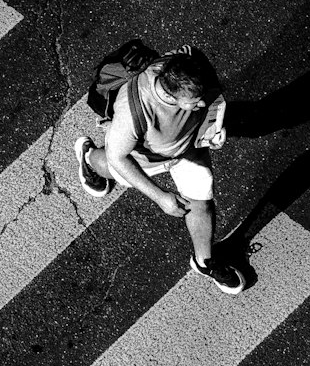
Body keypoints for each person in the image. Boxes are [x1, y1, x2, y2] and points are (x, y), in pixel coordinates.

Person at [74, 47, 245, 294]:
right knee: (107, 165)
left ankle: (204, 261)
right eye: (193, 101)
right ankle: (88, 157)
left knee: (202, 200)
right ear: (170, 96)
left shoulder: (188, 60)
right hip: (144, 158)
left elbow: (211, 100)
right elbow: (118, 157)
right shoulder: (132, 112)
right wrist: (161, 197)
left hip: (188, 149)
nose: (201, 102)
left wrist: (211, 130)